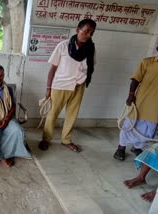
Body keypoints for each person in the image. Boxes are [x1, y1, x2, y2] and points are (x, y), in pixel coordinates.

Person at [38, 19, 97, 152]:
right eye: (86, 31)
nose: (88, 35)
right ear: (77, 30)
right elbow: (52, 69)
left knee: (72, 115)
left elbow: (90, 67)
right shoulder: (63, 46)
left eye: (92, 33)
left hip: (79, 86)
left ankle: (66, 140)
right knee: (52, 114)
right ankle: (46, 139)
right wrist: (48, 89)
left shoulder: (91, 49)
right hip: (60, 86)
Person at [113, 37, 158, 161]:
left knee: (150, 130)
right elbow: (135, 79)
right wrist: (131, 94)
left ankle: (137, 147)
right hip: (141, 102)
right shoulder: (147, 62)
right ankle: (121, 148)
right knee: (130, 126)